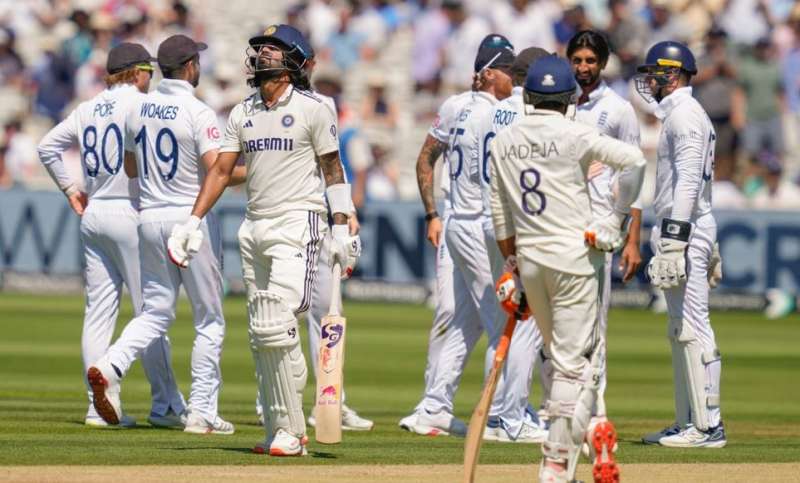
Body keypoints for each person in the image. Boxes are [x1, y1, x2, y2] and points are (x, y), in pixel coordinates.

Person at [167, 25, 360, 457]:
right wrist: (192, 221)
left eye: (272, 50)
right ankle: (279, 428)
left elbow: (333, 169)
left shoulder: (314, 109)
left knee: (277, 322)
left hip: (298, 223)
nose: (261, 55)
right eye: (259, 50)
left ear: (293, 61)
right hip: (254, 226)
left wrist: (341, 226)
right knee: (261, 332)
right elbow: (221, 171)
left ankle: (291, 432)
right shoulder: (243, 111)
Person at [489, 55, 645, 483]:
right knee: (578, 367)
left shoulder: (504, 140)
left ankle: (575, 446)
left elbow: (501, 216)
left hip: (531, 261)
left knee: (560, 360)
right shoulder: (577, 133)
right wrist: (615, 220)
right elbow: (635, 161)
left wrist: (511, 269)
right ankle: (557, 462)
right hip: (574, 261)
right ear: (568, 100)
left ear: (529, 98)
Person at [86, 35, 233, 435]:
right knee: (209, 319)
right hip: (191, 219)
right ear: (190, 67)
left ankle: (110, 364)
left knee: (154, 312)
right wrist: (258, 170)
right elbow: (217, 171)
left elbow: (131, 168)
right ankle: (201, 411)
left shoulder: (138, 109)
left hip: (149, 218)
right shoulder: (199, 111)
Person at [36, 43, 186, 429]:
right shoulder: (141, 105)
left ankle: (96, 407)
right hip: (131, 213)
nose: (151, 79)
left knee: (98, 313)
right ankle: (165, 405)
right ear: (137, 72)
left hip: (95, 213)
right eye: (149, 72)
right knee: (150, 311)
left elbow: (47, 147)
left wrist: (70, 189)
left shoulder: (87, 107)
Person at [248, 25, 372, 433]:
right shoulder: (258, 107)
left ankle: (329, 400)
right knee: (277, 311)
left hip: (317, 218)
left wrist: (344, 216)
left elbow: (331, 165)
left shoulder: (321, 105)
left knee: (319, 313)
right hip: (288, 219)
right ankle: (273, 400)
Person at [402, 34, 513, 438]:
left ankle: (434, 406)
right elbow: (426, 158)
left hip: (459, 223)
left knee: (464, 319)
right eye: (509, 72)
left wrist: (434, 214)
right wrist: (433, 213)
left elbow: (425, 159)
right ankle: (502, 416)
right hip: (476, 224)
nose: (514, 80)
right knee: (500, 319)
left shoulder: (461, 106)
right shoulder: (500, 112)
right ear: (489, 74)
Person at [634, 41, 727, 448]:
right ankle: (687, 420)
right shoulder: (681, 113)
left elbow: (689, 181)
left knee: (693, 326)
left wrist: (675, 239)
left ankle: (708, 426)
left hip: (683, 229)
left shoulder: (685, 114)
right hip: (686, 226)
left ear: (672, 74)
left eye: (653, 73)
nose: (648, 81)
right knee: (679, 329)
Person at [567, 29, 643, 447]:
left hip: (599, 227)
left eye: (590, 61)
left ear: (603, 63)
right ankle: (560, 410)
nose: (583, 68)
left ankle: (596, 414)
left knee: (595, 326)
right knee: (556, 327)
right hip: (560, 225)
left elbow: (634, 174)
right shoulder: (558, 102)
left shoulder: (618, 109)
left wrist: (632, 239)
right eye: (577, 60)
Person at [474, 45, 551, 444]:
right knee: (527, 321)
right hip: (520, 222)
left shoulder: (494, 111)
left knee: (511, 317)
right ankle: (512, 416)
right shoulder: (530, 113)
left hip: (492, 218)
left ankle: (500, 413)